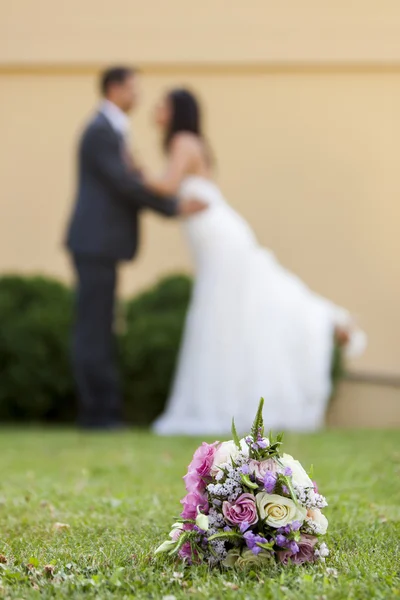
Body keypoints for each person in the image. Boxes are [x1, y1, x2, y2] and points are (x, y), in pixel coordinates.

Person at [147, 88, 366, 435]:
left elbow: (166, 185)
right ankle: (326, 322)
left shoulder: (184, 141)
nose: (156, 110)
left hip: (221, 240)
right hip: (216, 240)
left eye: (163, 105)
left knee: (239, 305)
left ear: (177, 112)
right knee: (242, 306)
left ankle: (324, 322)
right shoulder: (190, 142)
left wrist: (126, 173)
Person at [65, 68, 205, 430]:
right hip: (94, 243)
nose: (138, 96)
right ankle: (99, 415)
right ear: (114, 89)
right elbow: (125, 184)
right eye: (132, 89)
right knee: (93, 328)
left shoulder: (108, 130)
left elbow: (127, 182)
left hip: (100, 245)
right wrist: (173, 207)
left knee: (100, 324)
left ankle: (103, 411)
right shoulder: (99, 132)